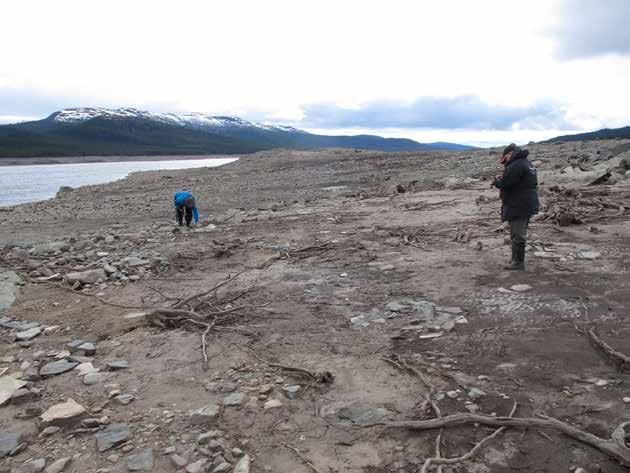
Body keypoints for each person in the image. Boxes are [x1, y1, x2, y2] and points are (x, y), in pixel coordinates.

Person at [493, 143, 539, 271]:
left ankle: (518, 263)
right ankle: (516, 260)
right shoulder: (526, 163)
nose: (505, 161)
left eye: (505, 158)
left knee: (517, 234)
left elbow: (506, 184)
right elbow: (519, 181)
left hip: (518, 204)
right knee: (519, 233)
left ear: (509, 154)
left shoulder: (516, 165)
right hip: (526, 202)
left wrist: (497, 181)